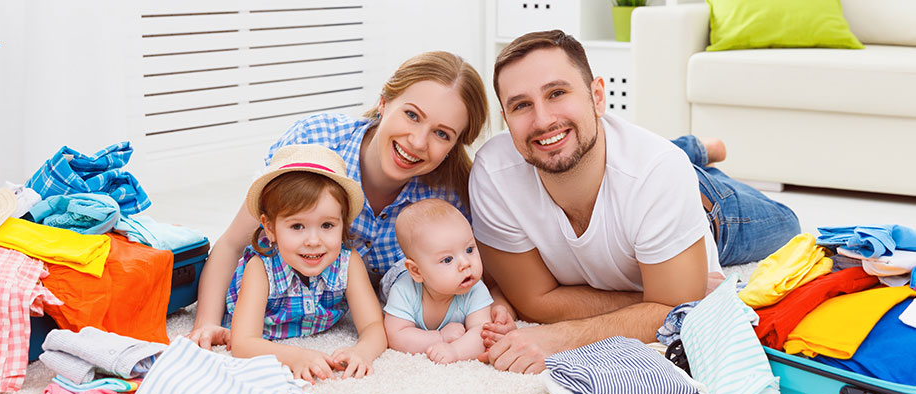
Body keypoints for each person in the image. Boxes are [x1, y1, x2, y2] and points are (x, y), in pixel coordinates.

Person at [470, 30, 801, 374]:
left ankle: (694, 155)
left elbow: (676, 313)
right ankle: (695, 147)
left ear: (598, 97)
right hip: (627, 167)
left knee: (788, 225)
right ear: (505, 119)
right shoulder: (494, 174)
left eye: (557, 93)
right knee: (586, 145)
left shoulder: (658, 172)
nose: (541, 120)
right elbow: (533, 302)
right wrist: (655, 303)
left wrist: (562, 336)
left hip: (713, 209)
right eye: (521, 105)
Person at [187, 51, 489, 349]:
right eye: (411, 115)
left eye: (442, 134)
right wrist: (206, 324)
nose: (418, 141)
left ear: (455, 144)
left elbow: (473, 273)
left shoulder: (449, 198)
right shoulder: (315, 142)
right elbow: (233, 243)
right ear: (384, 102)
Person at [226, 144, 387, 382]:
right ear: (270, 228)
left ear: (343, 224)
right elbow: (242, 344)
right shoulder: (260, 268)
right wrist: (294, 357)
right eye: (297, 226)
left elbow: (374, 325)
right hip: (266, 331)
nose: (313, 241)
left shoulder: (348, 262)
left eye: (327, 225)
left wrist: (362, 351)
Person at [382, 199, 497, 364]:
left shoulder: (475, 287)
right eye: (448, 259)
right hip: (395, 274)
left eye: (469, 249)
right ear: (416, 271)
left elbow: (482, 332)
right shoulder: (403, 290)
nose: (466, 263)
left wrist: (455, 351)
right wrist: (439, 337)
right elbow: (396, 336)